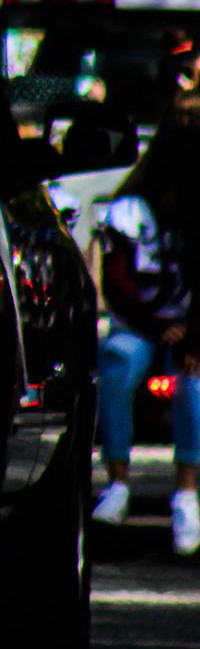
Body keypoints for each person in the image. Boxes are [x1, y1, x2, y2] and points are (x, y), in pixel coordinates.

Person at [90, 106, 200, 555]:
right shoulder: (129, 209)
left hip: (191, 330)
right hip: (141, 327)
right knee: (116, 362)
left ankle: (187, 494)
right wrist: (157, 328)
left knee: (193, 383)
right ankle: (117, 485)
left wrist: (193, 336)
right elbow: (116, 283)